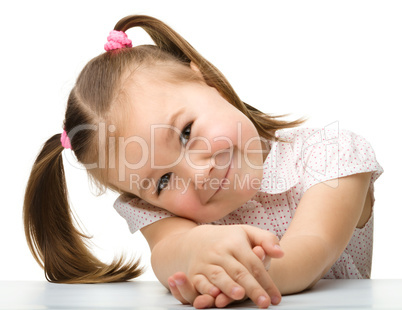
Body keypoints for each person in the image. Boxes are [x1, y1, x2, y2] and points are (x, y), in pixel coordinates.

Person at [23, 15, 383, 309]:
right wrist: (194, 251)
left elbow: (312, 249)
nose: (197, 174)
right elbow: (167, 252)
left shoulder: (329, 155)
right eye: (163, 181)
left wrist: (234, 275)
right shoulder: (164, 213)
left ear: (209, 82)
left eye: (185, 133)